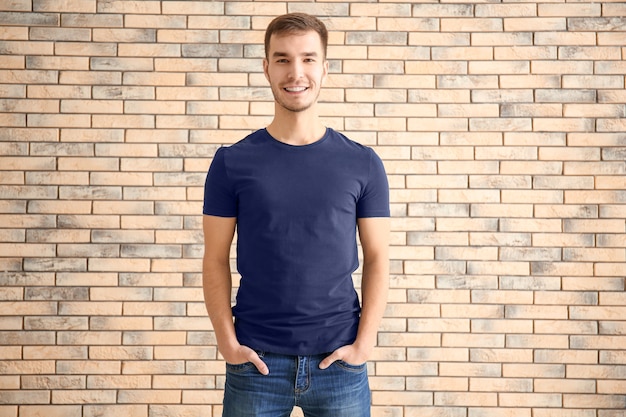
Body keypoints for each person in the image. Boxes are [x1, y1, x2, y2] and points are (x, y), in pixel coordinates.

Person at [202, 12, 390, 417]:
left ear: (325, 67)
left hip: (339, 365)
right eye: (283, 59)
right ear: (266, 67)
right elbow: (215, 258)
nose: (296, 72)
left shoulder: (363, 163)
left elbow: (378, 257)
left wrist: (365, 343)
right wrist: (226, 342)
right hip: (256, 365)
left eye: (308, 58)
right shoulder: (232, 162)